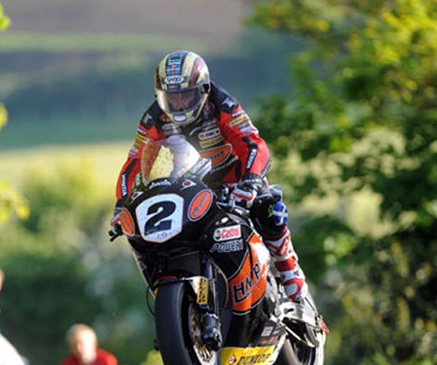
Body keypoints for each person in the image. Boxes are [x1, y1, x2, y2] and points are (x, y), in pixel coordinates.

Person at [110, 50, 325, 349]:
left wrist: (251, 180)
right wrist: (121, 204)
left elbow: (254, 143)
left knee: (270, 211)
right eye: (172, 98)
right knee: (152, 235)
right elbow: (134, 162)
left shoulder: (221, 104)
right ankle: (177, 312)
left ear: (202, 90)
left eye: (185, 96)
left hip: (237, 178)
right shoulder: (153, 118)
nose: (179, 104)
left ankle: (293, 285)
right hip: (189, 185)